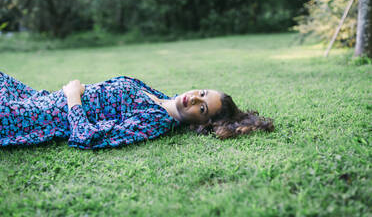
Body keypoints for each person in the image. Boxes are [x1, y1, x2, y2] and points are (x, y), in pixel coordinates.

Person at [0, 72, 273, 149]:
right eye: (202, 94)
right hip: (43, 99)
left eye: (202, 109)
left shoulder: (155, 122)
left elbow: (87, 136)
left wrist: (73, 97)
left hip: (39, 118)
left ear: (200, 124)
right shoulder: (157, 95)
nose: (194, 99)